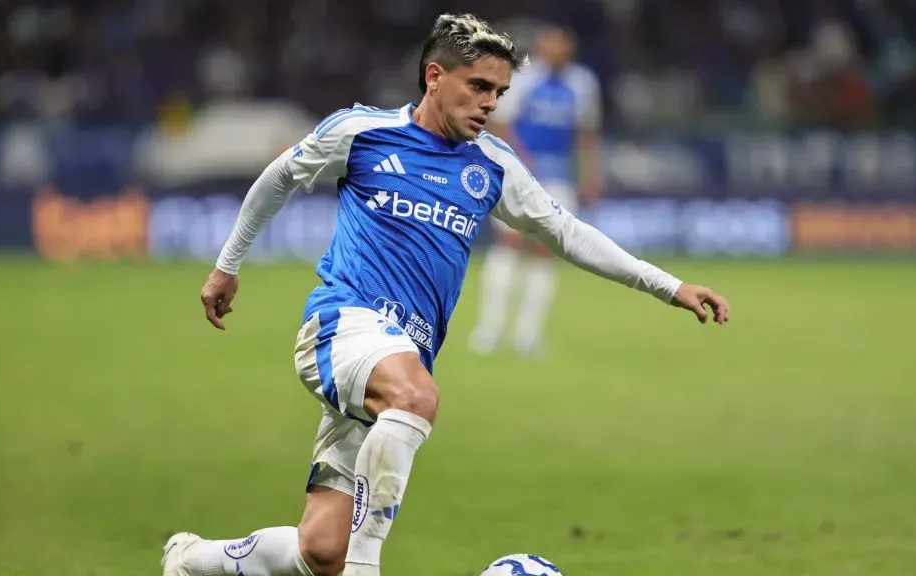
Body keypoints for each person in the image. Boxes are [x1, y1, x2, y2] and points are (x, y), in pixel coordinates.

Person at [163, 12, 730, 576]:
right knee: (416, 398)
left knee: (320, 552)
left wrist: (669, 286)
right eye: (478, 86)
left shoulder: (493, 166)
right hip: (343, 327)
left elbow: (568, 233)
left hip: (400, 357)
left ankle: (191, 560)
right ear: (435, 76)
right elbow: (279, 177)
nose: (489, 104)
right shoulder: (362, 133)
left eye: (499, 93)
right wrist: (227, 266)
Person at [468, 23, 604, 358]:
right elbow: (499, 124)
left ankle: (527, 336)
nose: (557, 53)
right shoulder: (522, 79)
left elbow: (585, 133)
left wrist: (590, 175)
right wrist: (519, 161)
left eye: (562, 47)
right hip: (518, 175)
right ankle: (489, 329)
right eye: (551, 46)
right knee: (510, 244)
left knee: (546, 251)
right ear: (541, 49)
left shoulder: (582, 83)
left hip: (558, 178)